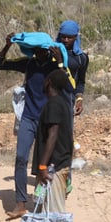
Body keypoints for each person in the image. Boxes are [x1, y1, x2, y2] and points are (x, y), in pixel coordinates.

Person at [0, 32, 74, 219]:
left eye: (42, 50)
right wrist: (7, 46)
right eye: (35, 50)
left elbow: (69, 88)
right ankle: (21, 203)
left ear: (48, 51)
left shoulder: (55, 67)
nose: (39, 54)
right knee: (21, 158)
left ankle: (43, 203)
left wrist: (61, 63)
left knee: (44, 163)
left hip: (48, 120)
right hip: (28, 117)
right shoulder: (28, 64)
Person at [34, 69, 74, 212]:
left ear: (48, 82)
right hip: (59, 164)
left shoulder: (54, 104)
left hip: (54, 167)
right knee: (47, 211)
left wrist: (43, 166)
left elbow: (53, 135)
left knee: (54, 214)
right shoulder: (62, 103)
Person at [56, 20, 89, 119]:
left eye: (69, 37)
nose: (66, 40)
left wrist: (79, 99)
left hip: (68, 101)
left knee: (65, 133)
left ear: (76, 37)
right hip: (48, 101)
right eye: (63, 37)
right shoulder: (52, 53)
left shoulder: (81, 58)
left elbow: (80, 81)